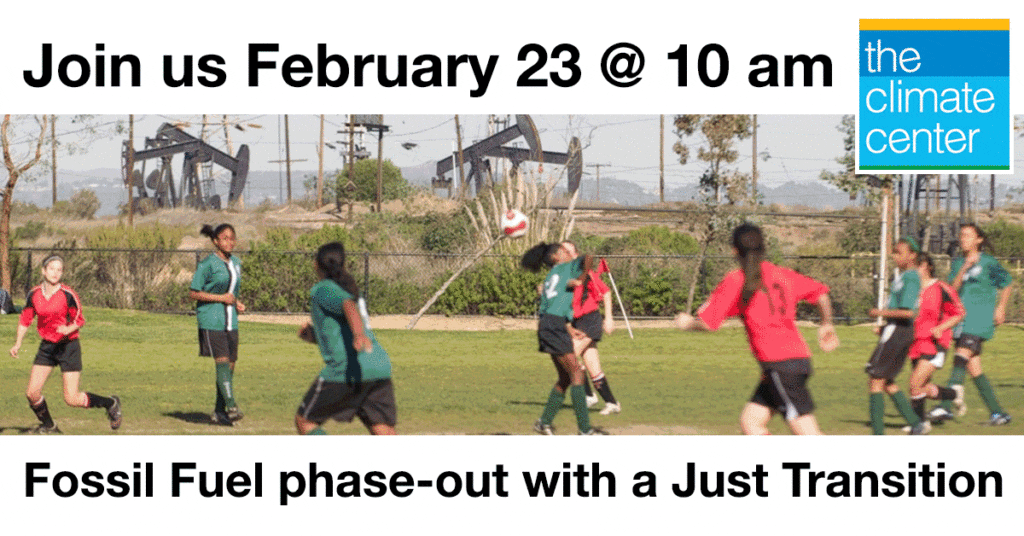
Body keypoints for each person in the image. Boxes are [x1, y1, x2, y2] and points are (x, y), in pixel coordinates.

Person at [674, 223, 838, 435]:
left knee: (809, 435)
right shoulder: (781, 275)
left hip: (781, 366)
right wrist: (826, 323)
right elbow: (821, 293)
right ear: (763, 247)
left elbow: (708, 323)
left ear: (734, 251)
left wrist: (687, 323)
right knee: (751, 423)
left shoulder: (737, 279)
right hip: (793, 361)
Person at [9, 254, 121, 433]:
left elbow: (80, 319)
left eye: (59, 270)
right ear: (43, 271)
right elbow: (25, 320)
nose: (55, 273)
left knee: (71, 399)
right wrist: (17, 344)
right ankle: (49, 426)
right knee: (32, 393)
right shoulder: (34, 295)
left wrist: (68, 329)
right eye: (52, 268)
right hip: (47, 347)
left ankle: (111, 403)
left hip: (68, 346)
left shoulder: (68, 295)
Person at [295, 242, 396, 435]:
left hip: (346, 368)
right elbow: (344, 327)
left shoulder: (324, 288)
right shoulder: (350, 288)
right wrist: (315, 336)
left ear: (316, 264)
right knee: (383, 430)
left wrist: (359, 335)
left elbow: (347, 306)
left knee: (305, 421)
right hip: (378, 364)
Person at [928, 224, 1013, 425]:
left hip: (979, 320)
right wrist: (965, 267)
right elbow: (952, 290)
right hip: (961, 322)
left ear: (978, 240)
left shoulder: (989, 262)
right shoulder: (958, 263)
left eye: (967, 235)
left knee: (960, 358)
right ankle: (998, 414)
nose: (962, 238)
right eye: (961, 235)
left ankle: (945, 407)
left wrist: (1001, 308)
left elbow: (1007, 283)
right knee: (974, 369)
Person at [522, 241, 606, 435]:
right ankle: (585, 431)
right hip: (553, 326)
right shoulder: (567, 267)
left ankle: (543, 424)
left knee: (565, 378)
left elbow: (553, 305)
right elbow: (589, 258)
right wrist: (582, 278)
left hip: (550, 325)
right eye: (565, 251)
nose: (570, 254)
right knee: (577, 373)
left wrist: (568, 328)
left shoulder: (552, 275)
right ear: (556, 256)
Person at [864, 238, 926, 435]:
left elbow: (908, 312)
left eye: (899, 252)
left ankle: (878, 434)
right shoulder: (903, 276)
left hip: (899, 332)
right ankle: (916, 424)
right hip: (896, 330)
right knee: (886, 380)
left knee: (875, 379)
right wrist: (885, 325)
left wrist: (878, 313)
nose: (894, 256)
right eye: (894, 252)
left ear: (912, 255)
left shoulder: (911, 278)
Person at [902, 252, 966, 433]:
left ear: (927, 266)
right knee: (922, 388)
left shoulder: (942, 288)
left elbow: (960, 313)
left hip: (936, 343)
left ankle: (919, 425)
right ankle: (953, 395)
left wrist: (941, 327)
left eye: (917, 266)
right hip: (915, 342)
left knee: (915, 382)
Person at [190, 223, 245, 426]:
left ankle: (218, 412)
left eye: (232, 238)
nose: (229, 242)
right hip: (211, 319)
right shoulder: (207, 264)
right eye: (224, 238)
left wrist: (236, 302)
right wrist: (221, 298)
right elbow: (193, 293)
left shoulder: (237, 263)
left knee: (229, 368)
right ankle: (231, 407)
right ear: (215, 241)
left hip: (231, 321)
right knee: (222, 363)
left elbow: (231, 292)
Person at [562, 241, 620, 415]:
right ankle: (611, 403)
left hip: (591, 320)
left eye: (569, 252)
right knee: (593, 367)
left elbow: (607, 292)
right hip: (577, 323)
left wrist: (609, 319)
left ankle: (588, 396)